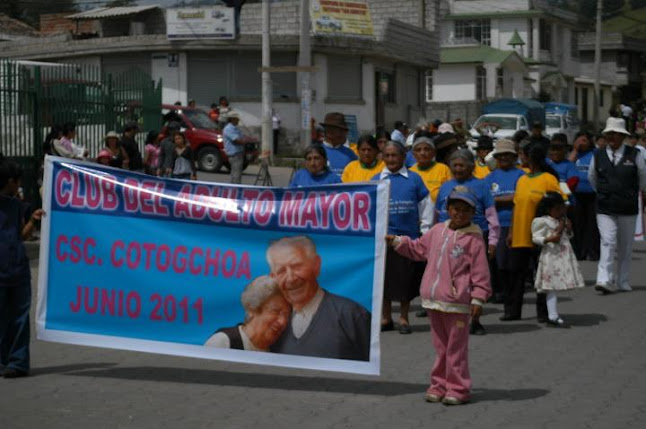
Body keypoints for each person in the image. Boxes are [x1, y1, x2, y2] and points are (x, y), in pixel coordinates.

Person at [387, 188, 491, 405]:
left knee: (456, 349)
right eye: (455, 208)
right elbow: (417, 249)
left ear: (473, 212)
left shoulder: (474, 239)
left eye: (465, 210)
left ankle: (458, 389)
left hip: (457, 304)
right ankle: (439, 385)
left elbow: (480, 272)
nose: (459, 214)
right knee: (441, 348)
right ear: (448, 209)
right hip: (434, 302)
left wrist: (478, 298)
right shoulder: (437, 230)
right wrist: (397, 242)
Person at [267, 236, 371, 361]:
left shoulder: (352, 315)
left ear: (316, 265)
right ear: (273, 278)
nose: (291, 278)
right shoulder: (273, 322)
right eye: (281, 271)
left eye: (297, 266)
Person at [435, 149, 500, 334]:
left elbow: (491, 216)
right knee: (449, 278)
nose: (458, 169)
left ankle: (475, 319)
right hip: (448, 237)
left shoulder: (481, 186)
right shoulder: (445, 186)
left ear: (471, 167)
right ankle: (449, 318)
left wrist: (493, 241)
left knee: (474, 279)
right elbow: (437, 214)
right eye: (454, 165)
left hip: (474, 237)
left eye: (462, 165)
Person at [372, 141, 432, 335]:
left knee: (405, 282)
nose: (391, 159)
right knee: (384, 282)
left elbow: (426, 206)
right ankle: (386, 317)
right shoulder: (376, 180)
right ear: (382, 157)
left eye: (394, 155)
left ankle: (404, 318)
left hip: (408, 239)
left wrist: (425, 231)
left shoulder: (414, 180)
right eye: (387, 155)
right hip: (383, 240)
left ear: (403, 157)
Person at [507, 145, 565, 322]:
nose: (520, 159)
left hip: (541, 236)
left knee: (541, 275)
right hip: (520, 234)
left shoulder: (548, 180)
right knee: (516, 274)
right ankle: (513, 311)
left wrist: (559, 228)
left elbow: (561, 204)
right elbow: (516, 207)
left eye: (522, 155)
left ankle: (543, 313)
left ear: (530, 158)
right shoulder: (522, 179)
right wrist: (510, 232)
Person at [589, 117, 646, 294]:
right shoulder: (597, 155)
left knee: (625, 246)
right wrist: (605, 191)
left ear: (622, 136)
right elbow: (592, 178)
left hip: (627, 207)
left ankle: (622, 280)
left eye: (615, 133)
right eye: (609, 134)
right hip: (605, 206)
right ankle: (604, 279)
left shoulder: (635, 155)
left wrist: (635, 192)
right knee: (607, 241)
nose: (611, 137)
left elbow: (643, 178)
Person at [0, 157, 44, 378]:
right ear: (9, 181)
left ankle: (17, 362)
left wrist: (32, 220)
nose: (18, 185)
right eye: (17, 181)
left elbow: (21, 236)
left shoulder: (16, 206)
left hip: (17, 270)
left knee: (18, 317)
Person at [532, 192, 584, 327]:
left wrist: (568, 229)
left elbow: (568, 236)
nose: (561, 211)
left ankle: (553, 315)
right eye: (557, 209)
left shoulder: (562, 220)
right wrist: (548, 239)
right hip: (550, 257)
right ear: (548, 209)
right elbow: (535, 237)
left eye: (562, 208)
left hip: (562, 256)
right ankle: (552, 316)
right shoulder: (542, 221)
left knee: (555, 285)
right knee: (551, 287)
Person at [485, 139, 525, 306]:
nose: (503, 158)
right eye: (500, 155)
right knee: (496, 261)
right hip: (495, 224)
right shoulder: (490, 177)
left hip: (515, 223)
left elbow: (519, 197)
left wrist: (498, 200)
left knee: (512, 263)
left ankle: (510, 294)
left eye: (507, 155)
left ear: (513, 156)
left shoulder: (521, 175)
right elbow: (486, 199)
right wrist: (503, 200)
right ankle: (498, 291)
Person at [204, 276, 290, 351]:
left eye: (286, 315)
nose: (282, 322)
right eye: (275, 311)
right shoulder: (223, 342)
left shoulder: (279, 350)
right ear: (253, 309)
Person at [568, 131, 600, 260]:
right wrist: (575, 149)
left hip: (592, 193)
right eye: (579, 140)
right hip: (577, 194)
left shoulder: (595, 154)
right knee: (578, 224)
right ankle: (579, 252)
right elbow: (569, 164)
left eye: (584, 141)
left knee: (592, 224)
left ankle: (592, 252)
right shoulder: (574, 154)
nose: (582, 143)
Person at [409, 136, 452, 203]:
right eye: (418, 150)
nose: (422, 153)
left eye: (426, 149)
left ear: (433, 152)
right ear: (413, 154)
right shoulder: (410, 172)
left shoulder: (443, 169)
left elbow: (450, 191)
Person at [222, 111, 246, 184]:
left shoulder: (235, 128)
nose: (238, 120)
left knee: (236, 173)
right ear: (232, 119)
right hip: (234, 154)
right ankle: (236, 190)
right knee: (236, 174)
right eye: (236, 118)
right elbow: (236, 140)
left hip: (238, 153)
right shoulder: (229, 128)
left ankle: (234, 189)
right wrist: (244, 142)